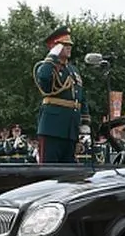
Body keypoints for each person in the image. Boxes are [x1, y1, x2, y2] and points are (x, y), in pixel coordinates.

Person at [33, 26, 91, 163]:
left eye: (70, 44)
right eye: (65, 45)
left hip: (70, 130)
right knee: (49, 172)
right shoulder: (46, 66)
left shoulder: (73, 70)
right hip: (52, 128)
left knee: (69, 174)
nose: (69, 47)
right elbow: (44, 78)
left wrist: (84, 124)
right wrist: (51, 56)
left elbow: (81, 98)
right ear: (55, 47)